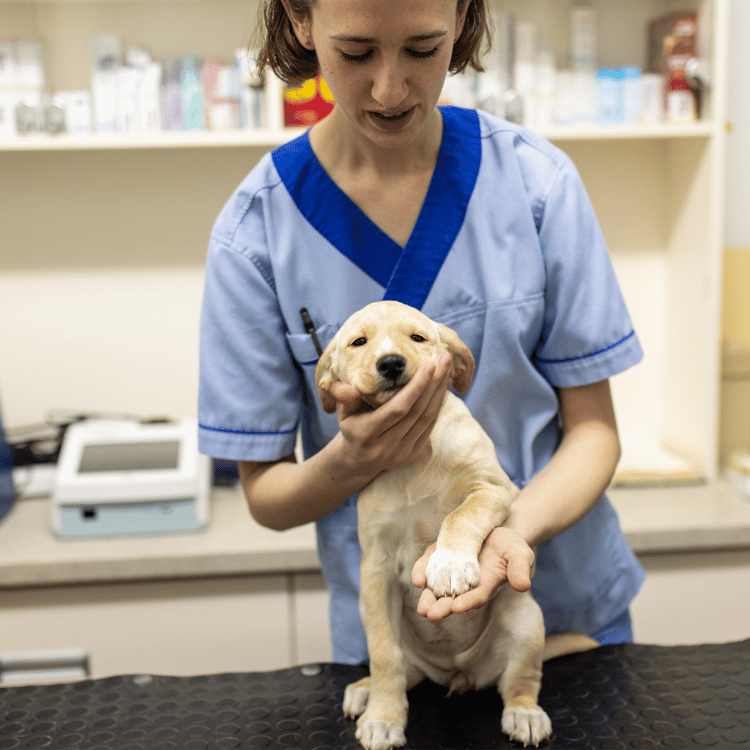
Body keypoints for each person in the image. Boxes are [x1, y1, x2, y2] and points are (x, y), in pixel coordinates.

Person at [198, 0, 646, 664]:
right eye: (356, 52)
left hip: (557, 612)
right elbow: (266, 494)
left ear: (462, 18)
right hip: (401, 645)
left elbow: (595, 433)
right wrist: (353, 460)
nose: (390, 89)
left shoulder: (535, 183)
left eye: (422, 49)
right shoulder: (257, 232)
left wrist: (502, 533)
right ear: (300, 20)